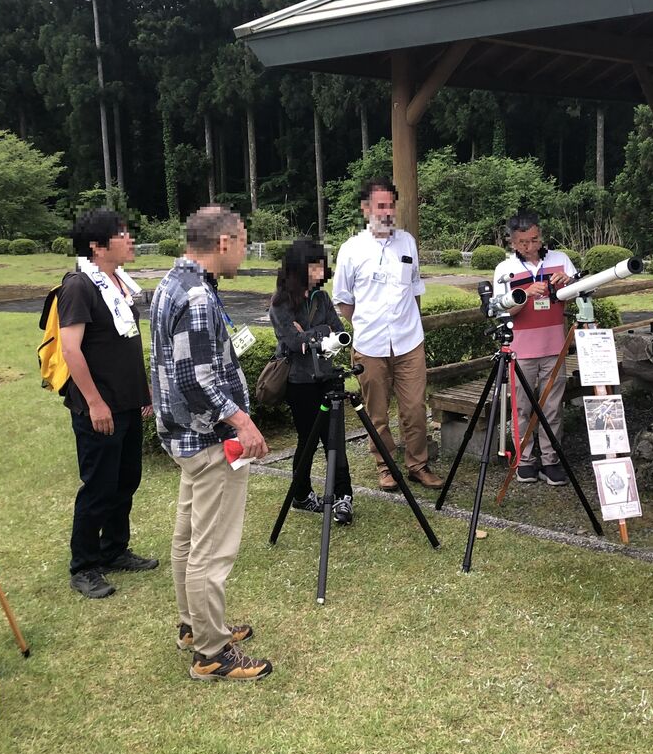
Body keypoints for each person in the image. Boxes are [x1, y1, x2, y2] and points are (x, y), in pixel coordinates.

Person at [150, 205, 273, 682]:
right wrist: (242, 422)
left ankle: (194, 625)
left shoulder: (171, 283)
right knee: (211, 548)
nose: (244, 254)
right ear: (224, 243)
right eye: (242, 243)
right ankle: (212, 652)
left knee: (188, 537)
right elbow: (197, 379)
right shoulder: (198, 296)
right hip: (209, 439)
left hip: (184, 437)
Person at [59, 208, 158, 600]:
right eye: (122, 234)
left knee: (126, 479)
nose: (130, 240)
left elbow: (126, 341)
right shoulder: (79, 286)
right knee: (99, 486)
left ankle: (114, 549)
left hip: (126, 401)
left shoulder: (118, 281)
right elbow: (71, 349)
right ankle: (84, 565)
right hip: (98, 406)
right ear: (97, 246)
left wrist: (142, 391)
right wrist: (95, 402)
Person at [333, 178, 444, 491]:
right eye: (380, 206)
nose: (386, 212)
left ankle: (418, 465)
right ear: (366, 208)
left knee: (415, 409)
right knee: (377, 414)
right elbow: (343, 301)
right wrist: (366, 325)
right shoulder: (351, 250)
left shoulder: (407, 243)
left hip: (409, 342)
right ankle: (385, 467)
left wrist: (410, 322)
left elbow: (415, 289)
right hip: (370, 345)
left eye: (390, 205)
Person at [270, 239, 354, 525]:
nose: (321, 271)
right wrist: (320, 332)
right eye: (315, 266)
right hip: (300, 382)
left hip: (328, 377)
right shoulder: (281, 303)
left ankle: (343, 496)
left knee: (335, 440)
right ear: (299, 268)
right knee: (307, 440)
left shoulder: (323, 298)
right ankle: (301, 494)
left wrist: (310, 335)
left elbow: (340, 333)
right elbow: (293, 343)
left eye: (322, 265)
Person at [491, 211, 578, 485]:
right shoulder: (504, 270)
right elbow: (500, 310)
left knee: (552, 408)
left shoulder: (560, 259)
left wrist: (569, 283)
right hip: (520, 350)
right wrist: (525, 294)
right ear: (512, 242)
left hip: (554, 346)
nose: (530, 246)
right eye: (523, 242)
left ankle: (551, 460)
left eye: (535, 239)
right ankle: (525, 460)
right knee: (522, 409)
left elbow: (580, 292)